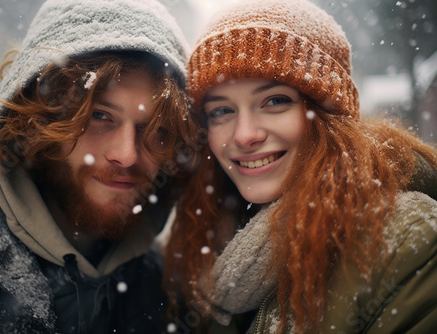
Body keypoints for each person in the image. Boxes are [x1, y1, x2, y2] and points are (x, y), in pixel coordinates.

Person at [164, 0, 437, 333]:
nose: (245, 135)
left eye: (275, 101)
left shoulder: (408, 241)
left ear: (328, 118)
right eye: (222, 111)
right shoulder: (199, 241)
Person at [0, 0, 198, 332]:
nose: (127, 155)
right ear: (42, 118)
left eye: (157, 130)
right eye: (99, 116)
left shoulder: (163, 289)